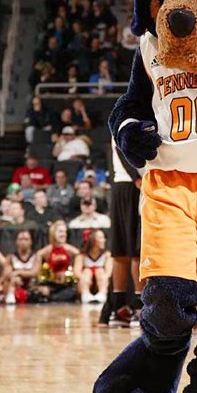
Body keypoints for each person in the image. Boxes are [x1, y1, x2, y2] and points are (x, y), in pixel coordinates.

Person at [98, 139, 142, 327]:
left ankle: (119, 308)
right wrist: (136, 177)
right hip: (133, 184)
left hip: (123, 186)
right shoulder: (132, 113)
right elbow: (122, 144)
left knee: (123, 251)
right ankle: (138, 309)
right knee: (135, 252)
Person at [37, 220, 79, 301]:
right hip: (51, 284)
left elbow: (79, 256)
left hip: (66, 285)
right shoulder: (46, 251)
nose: (63, 234)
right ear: (53, 233)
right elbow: (38, 262)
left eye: (65, 232)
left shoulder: (70, 249)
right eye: (60, 231)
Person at [1, 230, 39, 305]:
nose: (23, 242)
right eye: (21, 239)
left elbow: (34, 272)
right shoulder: (11, 257)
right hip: (15, 285)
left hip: (31, 287)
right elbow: (6, 273)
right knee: (13, 280)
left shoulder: (36, 257)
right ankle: (10, 299)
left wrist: (18, 272)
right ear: (16, 241)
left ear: (31, 241)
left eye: (26, 239)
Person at [74, 229, 112, 303]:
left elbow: (108, 273)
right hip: (86, 283)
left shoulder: (107, 255)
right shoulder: (81, 256)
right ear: (93, 240)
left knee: (100, 271)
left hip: (102, 284)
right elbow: (77, 273)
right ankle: (86, 294)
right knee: (87, 271)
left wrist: (100, 278)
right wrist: (87, 279)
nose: (104, 240)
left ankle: (102, 294)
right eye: (101, 238)